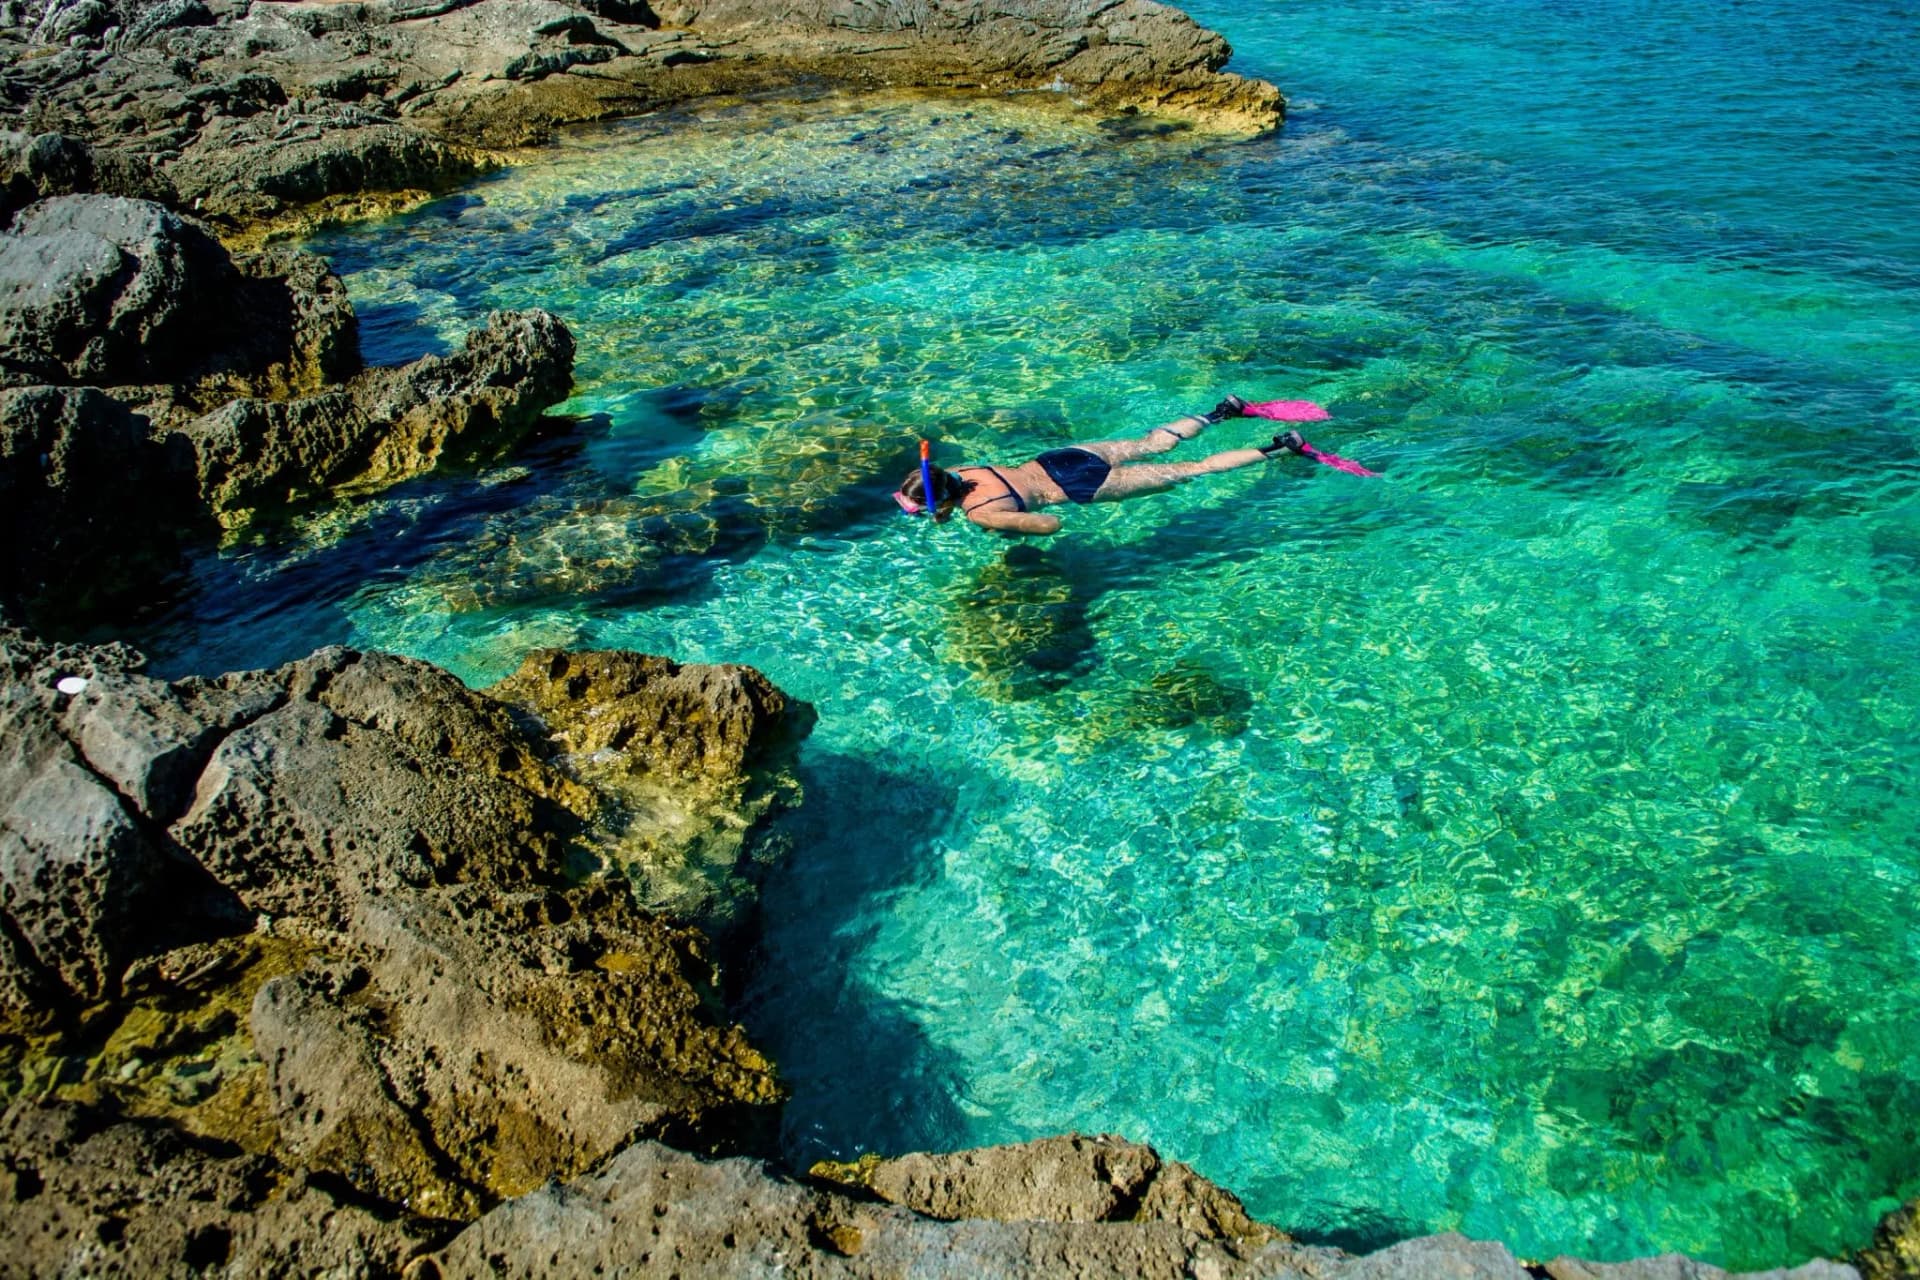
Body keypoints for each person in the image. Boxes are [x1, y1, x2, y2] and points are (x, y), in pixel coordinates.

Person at [892, 395, 1307, 536]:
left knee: (1194, 469)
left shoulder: (982, 512)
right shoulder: (966, 470)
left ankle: (1282, 448)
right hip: (1063, 458)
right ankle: (1221, 413)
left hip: (1078, 485)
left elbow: (1050, 525)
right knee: (1153, 443)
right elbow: (951, 489)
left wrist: (1008, 524)